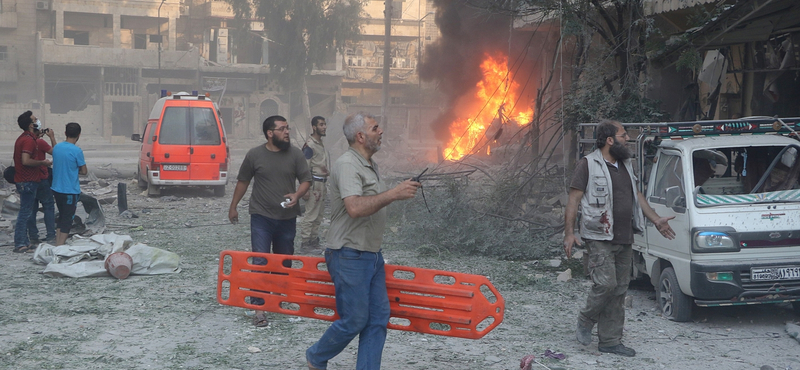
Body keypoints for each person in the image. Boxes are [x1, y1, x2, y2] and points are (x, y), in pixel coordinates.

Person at [306, 112, 421, 370]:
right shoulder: (348, 164)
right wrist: (393, 194)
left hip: (370, 254)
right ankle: (316, 356)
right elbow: (355, 208)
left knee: (378, 319)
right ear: (360, 136)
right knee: (356, 319)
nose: (381, 132)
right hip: (349, 253)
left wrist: (397, 191)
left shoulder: (370, 164)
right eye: (375, 128)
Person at [563, 119, 676, 357]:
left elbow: (637, 195)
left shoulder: (625, 164)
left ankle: (610, 341)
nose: (628, 139)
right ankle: (586, 319)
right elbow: (573, 200)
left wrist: (656, 219)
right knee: (605, 284)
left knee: (620, 290)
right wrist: (570, 233)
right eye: (624, 135)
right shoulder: (588, 164)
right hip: (598, 236)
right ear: (610, 140)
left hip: (624, 236)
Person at [228, 115, 312, 327]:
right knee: (260, 261)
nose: (287, 132)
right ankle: (259, 308)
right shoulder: (254, 155)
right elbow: (243, 181)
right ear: (269, 133)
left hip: (287, 218)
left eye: (288, 128)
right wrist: (233, 207)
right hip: (261, 217)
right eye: (282, 129)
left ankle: (278, 299)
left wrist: (297, 195)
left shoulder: (295, 154)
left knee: (284, 262)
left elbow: (306, 180)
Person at [12, 111, 52, 253]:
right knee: (25, 213)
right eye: (35, 120)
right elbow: (25, 160)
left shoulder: (28, 138)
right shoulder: (28, 140)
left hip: (27, 180)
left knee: (28, 212)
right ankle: (20, 244)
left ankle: (25, 242)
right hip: (27, 180)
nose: (38, 121)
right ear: (31, 124)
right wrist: (43, 162)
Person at [51, 122, 88, 246]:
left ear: (65, 133)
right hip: (70, 191)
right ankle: (59, 247)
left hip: (56, 189)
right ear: (79, 135)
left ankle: (57, 243)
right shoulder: (77, 151)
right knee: (67, 219)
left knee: (61, 217)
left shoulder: (57, 148)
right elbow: (84, 171)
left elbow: (57, 156)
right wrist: (73, 169)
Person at [299, 116, 329, 252]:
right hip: (314, 184)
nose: (324, 127)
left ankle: (313, 241)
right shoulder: (310, 145)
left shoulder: (319, 143)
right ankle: (305, 243)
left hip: (322, 183)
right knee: (310, 214)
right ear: (314, 127)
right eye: (321, 125)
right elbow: (304, 168)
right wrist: (305, 189)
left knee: (319, 214)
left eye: (325, 124)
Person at [27, 122, 57, 245]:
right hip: (42, 179)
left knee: (31, 209)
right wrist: (52, 137)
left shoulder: (26, 141)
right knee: (48, 207)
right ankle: (51, 235)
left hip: (29, 179)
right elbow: (56, 152)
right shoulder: (40, 142)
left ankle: (33, 236)